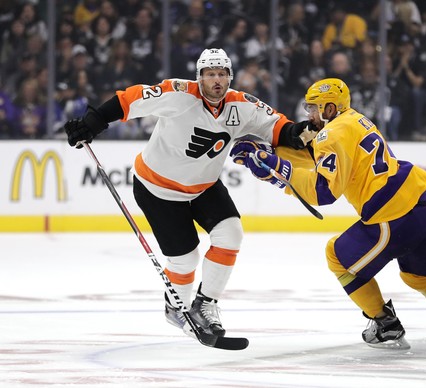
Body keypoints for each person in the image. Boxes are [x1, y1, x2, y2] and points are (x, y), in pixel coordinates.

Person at [230, 78, 426, 350]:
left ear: (329, 108)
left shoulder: (330, 133)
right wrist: (275, 156)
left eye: (314, 108)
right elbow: (324, 158)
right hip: (422, 206)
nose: (309, 114)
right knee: (421, 278)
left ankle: (385, 325)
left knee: (336, 255)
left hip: (391, 216)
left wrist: (276, 168)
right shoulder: (355, 121)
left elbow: (323, 191)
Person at [63, 48, 315, 339]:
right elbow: (129, 100)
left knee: (231, 233)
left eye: (222, 74)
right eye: (210, 74)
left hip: (204, 186)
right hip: (158, 189)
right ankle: (175, 307)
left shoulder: (241, 105)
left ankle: (205, 304)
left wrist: (298, 133)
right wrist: (92, 123)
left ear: (229, 77)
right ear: (200, 77)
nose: (216, 80)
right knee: (185, 261)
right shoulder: (179, 94)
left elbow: (277, 126)